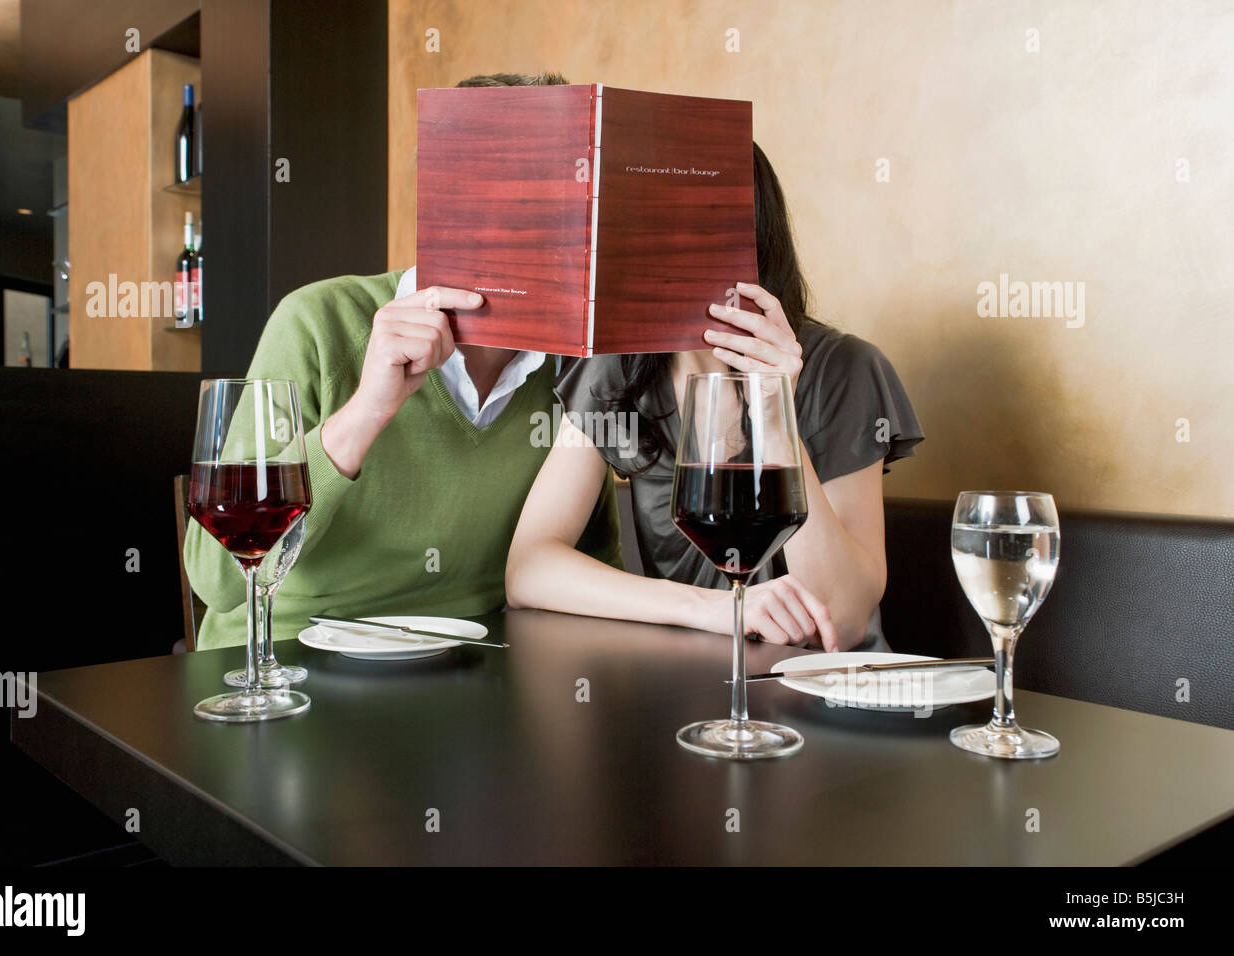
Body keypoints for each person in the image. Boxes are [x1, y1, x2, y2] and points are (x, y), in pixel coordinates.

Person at [184, 72, 622, 651]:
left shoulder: (575, 362)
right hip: (289, 664)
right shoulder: (318, 320)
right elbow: (217, 579)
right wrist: (367, 410)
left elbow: (588, 566)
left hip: (479, 666)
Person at [505, 144, 924, 652]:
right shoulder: (618, 370)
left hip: (825, 694)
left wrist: (774, 410)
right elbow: (529, 570)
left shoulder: (846, 369)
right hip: (690, 685)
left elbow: (842, 619)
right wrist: (712, 610)